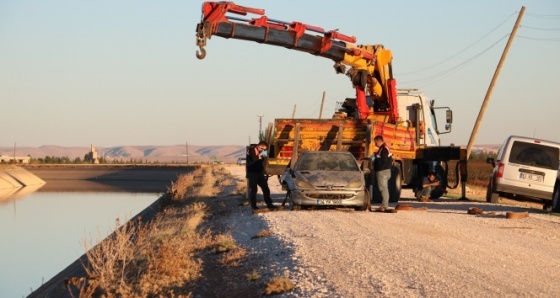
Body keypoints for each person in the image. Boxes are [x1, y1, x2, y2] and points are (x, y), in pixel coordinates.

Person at [246, 141, 276, 211]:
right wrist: (260, 155)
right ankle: (253, 206)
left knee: (265, 188)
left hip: (259, 172)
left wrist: (265, 154)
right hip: (252, 173)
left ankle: (269, 204)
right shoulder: (251, 150)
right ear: (258, 146)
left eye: (264, 149)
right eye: (261, 148)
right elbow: (254, 159)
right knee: (253, 190)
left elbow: (265, 159)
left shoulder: (262, 152)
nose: (262, 150)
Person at [371, 135, 396, 213]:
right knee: (384, 188)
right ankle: (385, 204)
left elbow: (383, 161)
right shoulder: (385, 148)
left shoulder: (383, 149)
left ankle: (384, 205)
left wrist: (377, 166)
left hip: (382, 171)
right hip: (386, 171)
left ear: (379, 141)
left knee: (383, 188)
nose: (375, 144)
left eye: (375, 142)